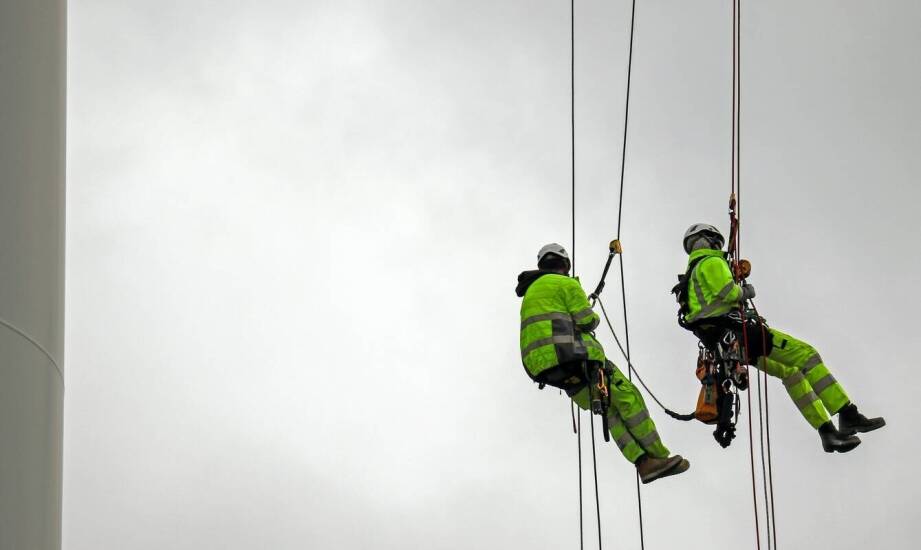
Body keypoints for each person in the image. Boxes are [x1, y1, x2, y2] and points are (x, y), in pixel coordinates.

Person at [677, 223, 886, 453]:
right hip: (743, 334)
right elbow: (729, 293)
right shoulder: (711, 262)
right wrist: (747, 291)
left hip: (728, 347)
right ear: (710, 241)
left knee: (790, 373)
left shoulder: (690, 278)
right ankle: (847, 413)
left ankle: (827, 432)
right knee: (807, 355)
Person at [517, 243, 689, 483]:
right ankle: (659, 455)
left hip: (546, 370)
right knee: (627, 397)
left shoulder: (530, 293)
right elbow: (587, 321)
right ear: (565, 265)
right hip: (575, 358)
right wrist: (591, 313)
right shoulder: (566, 284)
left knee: (609, 412)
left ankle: (644, 463)